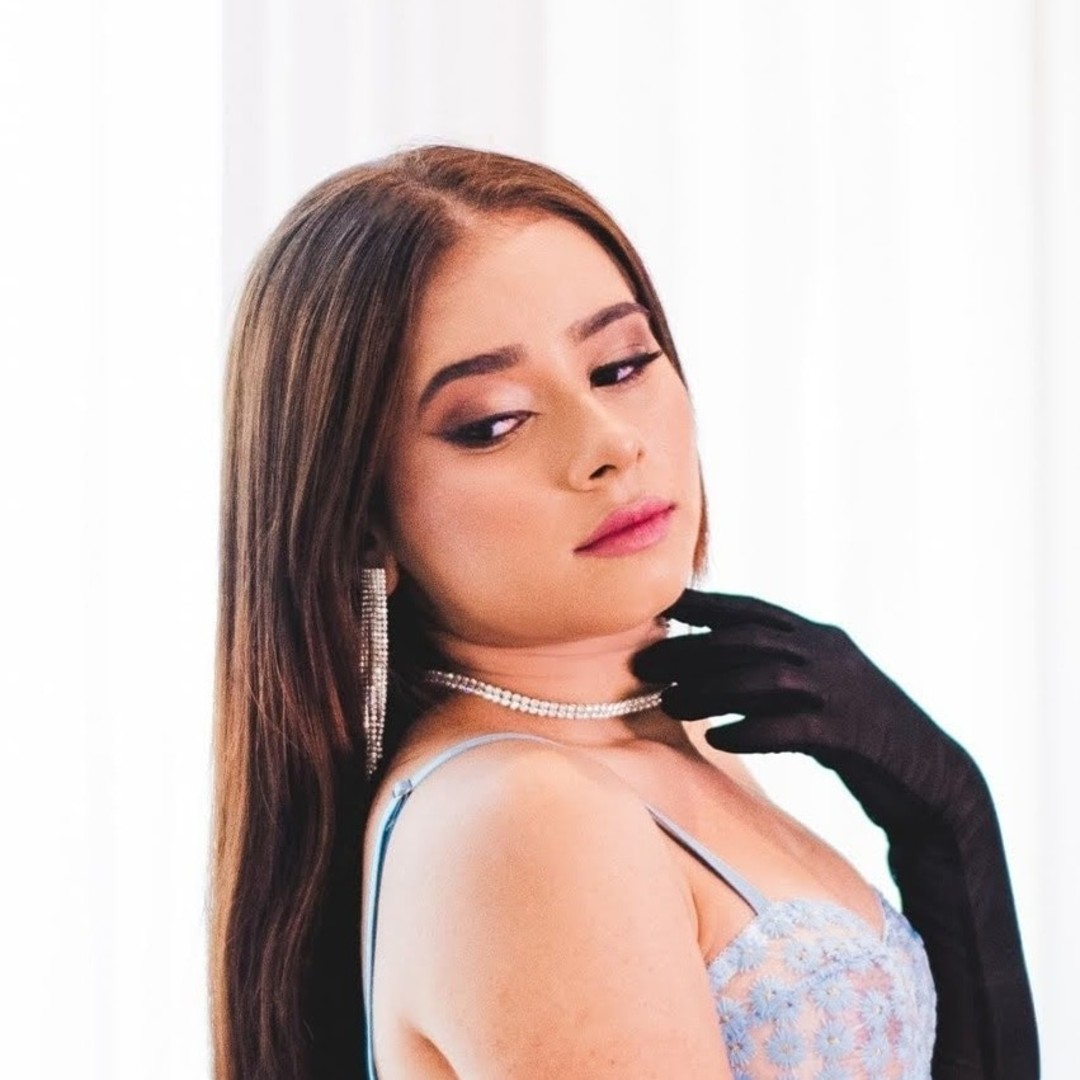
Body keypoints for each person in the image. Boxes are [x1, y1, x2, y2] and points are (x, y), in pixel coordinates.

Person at [210, 144, 1038, 1079]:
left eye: (620, 365)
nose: (609, 442)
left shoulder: (671, 743)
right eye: (495, 421)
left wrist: (946, 817)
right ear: (364, 523)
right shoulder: (523, 814)